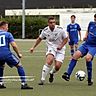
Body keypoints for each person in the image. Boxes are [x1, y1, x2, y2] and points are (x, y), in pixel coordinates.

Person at [30, 16, 68, 85]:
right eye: (51, 23)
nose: (53, 24)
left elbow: (66, 38)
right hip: (51, 48)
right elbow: (39, 38)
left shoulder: (60, 29)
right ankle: (42, 79)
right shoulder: (45, 30)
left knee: (57, 66)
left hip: (60, 49)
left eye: (54, 22)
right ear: (48, 23)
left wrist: (61, 46)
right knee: (49, 60)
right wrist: (33, 47)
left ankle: (51, 73)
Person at [62, 14, 96, 86]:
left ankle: (90, 79)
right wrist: (86, 35)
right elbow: (88, 30)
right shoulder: (91, 23)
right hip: (86, 44)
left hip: (94, 46)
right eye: (95, 19)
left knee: (88, 58)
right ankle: (68, 74)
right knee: (75, 55)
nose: (95, 20)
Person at [0, 21, 33, 89]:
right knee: (19, 65)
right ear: (3, 26)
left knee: (1, 66)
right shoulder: (8, 34)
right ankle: (24, 83)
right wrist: (18, 54)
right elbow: (14, 46)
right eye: (7, 26)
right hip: (6, 54)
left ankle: (0, 83)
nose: (7, 28)